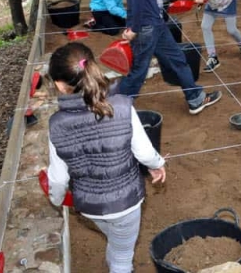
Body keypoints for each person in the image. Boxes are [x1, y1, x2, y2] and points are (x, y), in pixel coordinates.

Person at [46, 42, 166, 273]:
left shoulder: (56, 125)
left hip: (90, 206)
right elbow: (143, 152)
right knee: (123, 255)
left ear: (60, 85)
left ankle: (114, 262)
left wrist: (57, 199)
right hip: (126, 203)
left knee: (117, 241)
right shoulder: (121, 106)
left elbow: (59, 179)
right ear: (94, 68)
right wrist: (157, 165)